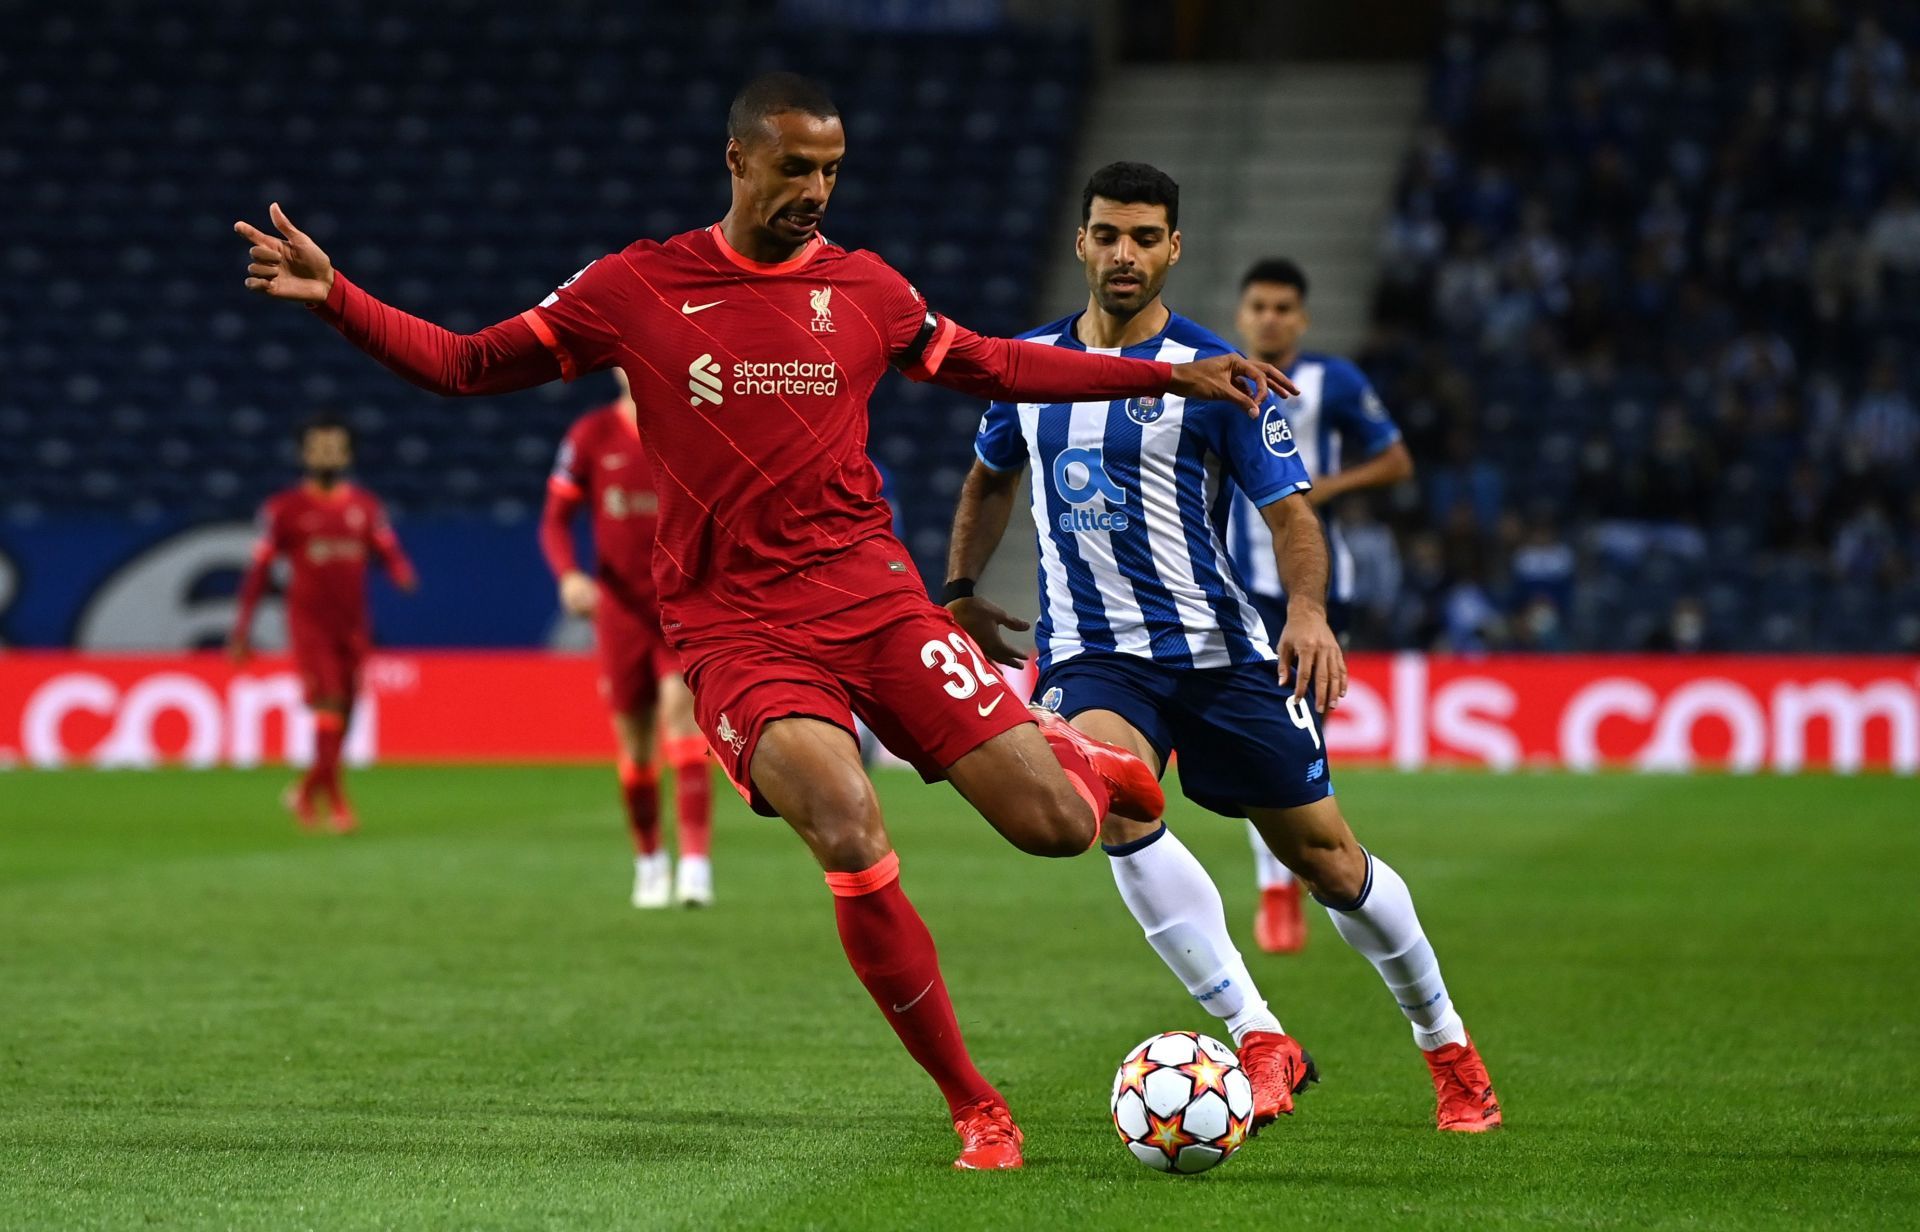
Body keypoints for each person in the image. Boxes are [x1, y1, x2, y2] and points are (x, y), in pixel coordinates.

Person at [232, 72, 1292, 1170]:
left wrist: (1159, 378)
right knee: (845, 820)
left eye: (831, 169)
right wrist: (339, 295)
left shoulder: (867, 287)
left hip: (874, 597)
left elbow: (990, 358)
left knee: (1058, 827)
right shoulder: (636, 284)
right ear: (738, 159)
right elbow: (463, 364)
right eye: (796, 168)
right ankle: (976, 1103)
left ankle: (1067, 754)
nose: (816, 191)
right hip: (735, 625)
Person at [946, 162, 1501, 1134]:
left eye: (1146, 236)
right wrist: (960, 588)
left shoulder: (1216, 375)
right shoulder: (1024, 367)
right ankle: (1256, 1029)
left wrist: (1307, 610)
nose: (1125, 253)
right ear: (1080, 242)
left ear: (1174, 247)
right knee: (1114, 798)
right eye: (1108, 234)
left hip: (1222, 653)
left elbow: (1290, 515)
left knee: (1330, 860)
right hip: (1092, 654)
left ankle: (1449, 1047)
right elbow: (989, 476)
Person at [1227, 258, 1414, 954]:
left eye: (1283, 308)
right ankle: (1278, 887)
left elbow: (1395, 459)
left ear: (1300, 318)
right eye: (1259, 307)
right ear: (1243, 315)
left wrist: (1323, 491)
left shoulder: (1333, 381)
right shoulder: (1216, 377)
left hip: (1312, 587)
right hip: (1239, 587)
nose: (1270, 318)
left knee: (1300, 740)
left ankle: (1291, 876)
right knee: (1268, 739)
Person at [542, 368, 714, 908]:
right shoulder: (590, 435)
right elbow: (554, 520)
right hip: (619, 614)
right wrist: (569, 573)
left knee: (681, 723)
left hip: (679, 607)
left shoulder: (693, 428)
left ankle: (695, 864)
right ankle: (649, 860)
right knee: (636, 752)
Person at [229, 414, 417, 833]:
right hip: (310, 625)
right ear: (304, 454)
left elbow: (387, 549)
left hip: (352, 625)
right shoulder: (284, 510)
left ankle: (306, 788)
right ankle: (337, 801)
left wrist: (401, 571)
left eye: (334, 447)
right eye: (318, 447)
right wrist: (242, 630)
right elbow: (258, 573)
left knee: (345, 716)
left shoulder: (366, 507)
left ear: (347, 454)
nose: (326, 454)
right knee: (329, 703)